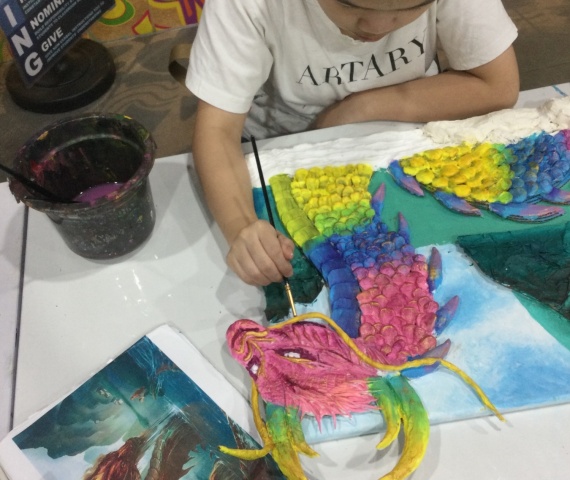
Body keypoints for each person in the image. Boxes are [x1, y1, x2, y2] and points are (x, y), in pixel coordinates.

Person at [186, 0, 520, 286]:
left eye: (411, 8)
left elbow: (497, 85)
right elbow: (218, 130)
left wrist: (359, 108)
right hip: (280, 144)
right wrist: (241, 226)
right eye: (350, 5)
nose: (378, 27)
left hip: (407, 132)